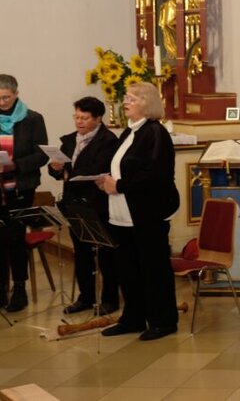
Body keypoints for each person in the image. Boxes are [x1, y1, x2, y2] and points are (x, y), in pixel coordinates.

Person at [95, 82, 180, 341]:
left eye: (131, 98)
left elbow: (157, 174)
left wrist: (118, 184)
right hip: (123, 213)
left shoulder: (155, 133)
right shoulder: (129, 132)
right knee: (128, 268)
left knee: (153, 268)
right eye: (126, 98)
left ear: (147, 102)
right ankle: (133, 317)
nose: (126, 102)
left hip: (148, 213)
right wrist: (107, 179)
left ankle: (163, 321)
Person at [0, 74, 48, 313]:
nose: (2, 102)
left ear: (16, 94)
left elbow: (41, 154)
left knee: (15, 237)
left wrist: (16, 165)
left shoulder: (33, 119)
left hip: (19, 187)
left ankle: (20, 289)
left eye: (6, 97)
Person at [47, 96, 120, 315]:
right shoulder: (69, 140)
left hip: (98, 202)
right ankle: (85, 297)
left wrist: (70, 172)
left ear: (98, 118)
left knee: (106, 254)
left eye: (84, 118)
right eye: (76, 117)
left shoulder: (108, 140)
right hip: (74, 203)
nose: (79, 122)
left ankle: (110, 299)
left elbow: (99, 167)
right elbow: (55, 172)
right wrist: (57, 168)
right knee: (81, 253)